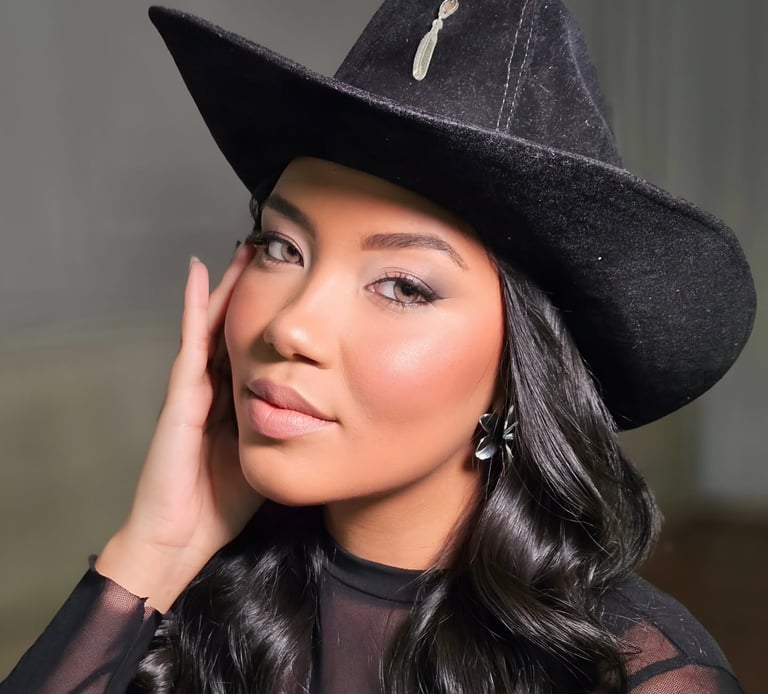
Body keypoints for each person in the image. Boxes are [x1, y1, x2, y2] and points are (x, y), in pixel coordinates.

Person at [1, 1, 755, 692]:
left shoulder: (633, 674)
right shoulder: (188, 602)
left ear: (520, 368)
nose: (289, 327)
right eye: (282, 247)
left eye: (403, 286)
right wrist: (156, 551)